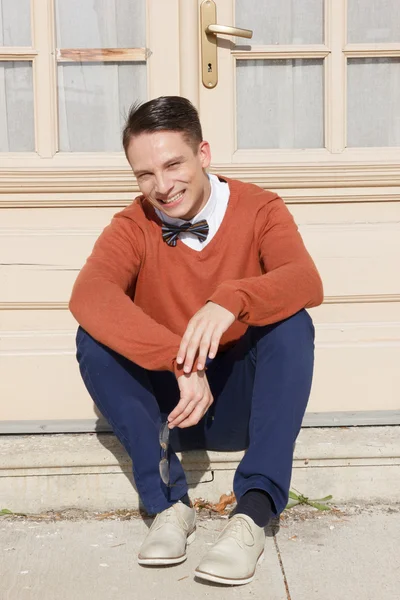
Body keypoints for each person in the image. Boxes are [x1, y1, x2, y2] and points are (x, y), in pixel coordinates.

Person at [69, 95, 323, 586]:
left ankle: (251, 513)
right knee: (92, 338)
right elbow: (89, 294)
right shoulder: (132, 225)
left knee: (292, 325)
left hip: (241, 403)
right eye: (144, 174)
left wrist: (233, 298)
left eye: (172, 164)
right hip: (172, 407)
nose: (161, 187)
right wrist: (179, 360)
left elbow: (305, 280)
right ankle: (168, 506)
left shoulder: (260, 208)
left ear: (202, 154)